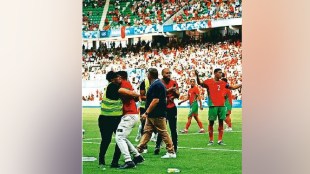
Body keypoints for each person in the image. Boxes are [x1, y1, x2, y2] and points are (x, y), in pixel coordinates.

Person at [98, 71, 140, 169]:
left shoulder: (113, 86)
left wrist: (134, 96)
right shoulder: (112, 86)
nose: (119, 79)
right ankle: (104, 160)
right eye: (117, 77)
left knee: (117, 139)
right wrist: (134, 94)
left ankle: (112, 161)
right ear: (112, 79)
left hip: (112, 118)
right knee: (110, 139)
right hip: (107, 118)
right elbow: (124, 91)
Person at [137, 68, 176, 159]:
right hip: (154, 114)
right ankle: (139, 149)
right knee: (147, 131)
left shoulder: (156, 85)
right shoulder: (157, 84)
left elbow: (155, 100)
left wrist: (146, 112)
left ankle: (171, 151)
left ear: (150, 75)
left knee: (163, 132)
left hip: (157, 113)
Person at [195, 68, 241, 145]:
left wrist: (242, 84)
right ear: (215, 73)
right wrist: (197, 76)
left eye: (221, 72)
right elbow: (200, 83)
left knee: (221, 123)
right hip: (213, 106)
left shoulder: (223, 83)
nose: (221, 74)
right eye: (219, 72)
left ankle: (220, 140)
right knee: (211, 123)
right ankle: (211, 140)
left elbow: (232, 87)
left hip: (222, 106)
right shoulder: (209, 82)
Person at [115, 71, 145, 169]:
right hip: (131, 114)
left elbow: (135, 95)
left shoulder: (124, 84)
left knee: (119, 137)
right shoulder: (127, 84)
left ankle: (128, 161)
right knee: (123, 137)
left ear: (120, 77)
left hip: (129, 115)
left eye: (116, 77)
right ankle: (137, 156)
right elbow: (135, 98)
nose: (115, 80)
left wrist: (131, 94)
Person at [154, 68, 180, 154]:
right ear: (162, 74)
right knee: (161, 128)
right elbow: (160, 93)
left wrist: (175, 94)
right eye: (166, 73)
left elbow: (178, 94)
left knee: (173, 128)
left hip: (172, 107)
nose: (168, 74)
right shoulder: (159, 83)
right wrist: (170, 90)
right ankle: (157, 146)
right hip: (162, 108)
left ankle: (175, 147)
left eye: (169, 73)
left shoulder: (174, 82)